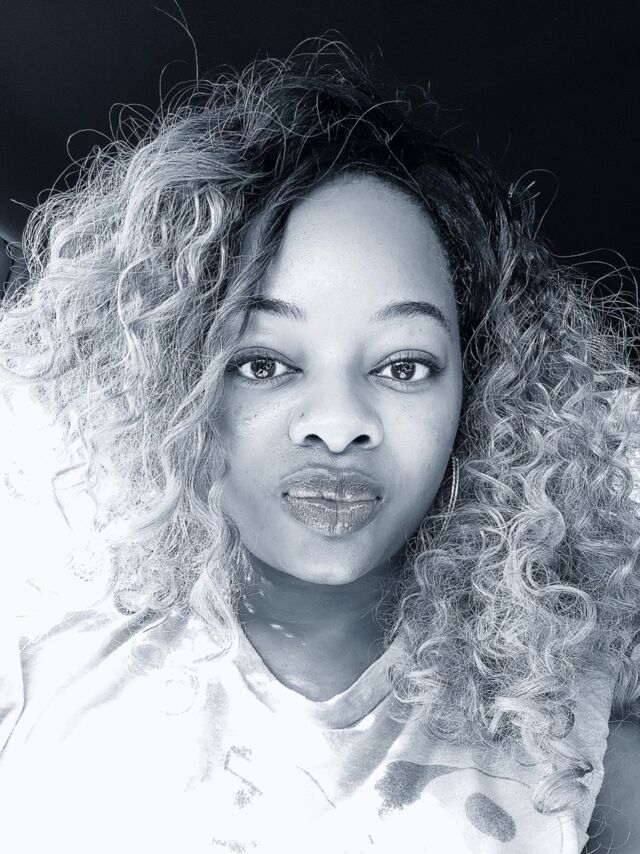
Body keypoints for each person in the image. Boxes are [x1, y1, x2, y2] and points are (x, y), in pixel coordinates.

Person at [0, 39, 639, 854]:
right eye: (263, 363)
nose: (338, 424)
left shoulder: (571, 736)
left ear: (479, 398)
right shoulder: (40, 661)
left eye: (403, 366)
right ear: (168, 381)